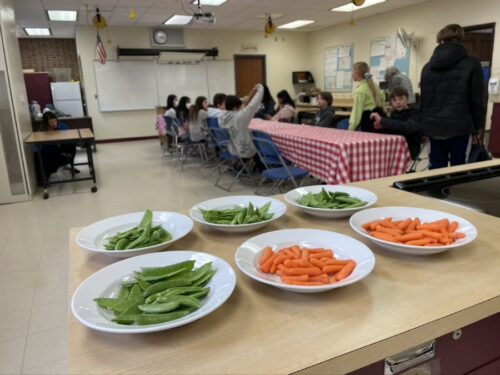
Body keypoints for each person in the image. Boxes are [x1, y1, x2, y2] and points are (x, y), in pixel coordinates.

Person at [419, 23, 485, 169]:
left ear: (440, 40)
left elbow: (424, 101)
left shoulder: (427, 67)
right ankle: (456, 192)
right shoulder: (472, 63)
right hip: (460, 127)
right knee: (460, 169)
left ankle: (435, 192)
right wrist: (478, 128)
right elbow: (477, 100)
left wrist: (424, 126)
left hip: (433, 127)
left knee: (436, 168)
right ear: (461, 39)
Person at [370, 87, 422, 160]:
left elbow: (406, 127)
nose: (398, 102)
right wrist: (379, 128)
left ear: (407, 99)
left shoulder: (415, 113)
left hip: (410, 148)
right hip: (394, 149)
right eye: (394, 100)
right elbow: (389, 131)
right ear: (391, 103)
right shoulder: (394, 114)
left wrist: (383, 121)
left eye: (401, 98)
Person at [220, 84, 264, 160]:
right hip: (245, 150)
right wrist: (261, 88)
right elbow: (253, 105)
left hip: (232, 148)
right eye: (240, 107)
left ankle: (241, 165)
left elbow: (234, 101)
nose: (242, 108)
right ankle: (262, 169)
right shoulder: (240, 117)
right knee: (260, 146)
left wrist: (251, 92)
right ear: (235, 108)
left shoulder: (222, 115)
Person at [37, 112, 77, 179]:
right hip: (50, 155)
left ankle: (69, 165)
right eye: (51, 122)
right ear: (46, 123)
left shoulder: (61, 127)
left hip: (61, 151)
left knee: (71, 146)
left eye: (55, 121)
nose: (54, 123)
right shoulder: (42, 132)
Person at [349, 62, 386, 131]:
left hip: (367, 123)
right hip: (378, 121)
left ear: (358, 73)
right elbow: (383, 100)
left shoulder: (360, 90)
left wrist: (350, 130)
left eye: (353, 72)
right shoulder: (375, 85)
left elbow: (356, 114)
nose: (352, 74)